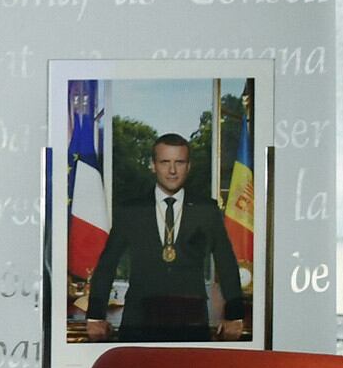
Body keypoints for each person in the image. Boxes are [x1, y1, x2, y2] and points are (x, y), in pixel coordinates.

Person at [84, 133, 247, 343]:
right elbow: (108, 264)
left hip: (191, 320)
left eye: (179, 162)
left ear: (188, 166)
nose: (172, 170)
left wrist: (235, 313)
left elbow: (226, 261)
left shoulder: (206, 209)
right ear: (153, 165)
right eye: (165, 162)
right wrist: (96, 315)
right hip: (138, 320)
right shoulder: (131, 210)